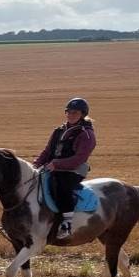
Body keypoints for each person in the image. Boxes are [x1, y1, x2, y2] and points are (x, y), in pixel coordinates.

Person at [33, 97, 96, 239]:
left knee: (60, 184)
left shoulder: (86, 134)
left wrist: (56, 164)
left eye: (75, 113)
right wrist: (36, 165)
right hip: (53, 167)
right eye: (69, 112)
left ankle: (67, 223)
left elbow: (79, 158)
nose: (71, 115)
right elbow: (47, 151)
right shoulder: (58, 130)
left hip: (74, 170)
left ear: (83, 114)